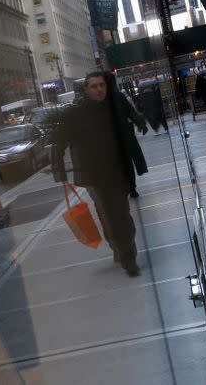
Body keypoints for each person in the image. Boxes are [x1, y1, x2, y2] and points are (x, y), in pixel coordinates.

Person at [53, 71, 146, 276]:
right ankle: (126, 255)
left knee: (121, 212)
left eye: (101, 85)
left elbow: (130, 116)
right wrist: (59, 171)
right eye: (93, 86)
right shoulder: (75, 114)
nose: (99, 89)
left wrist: (140, 122)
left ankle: (125, 247)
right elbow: (59, 143)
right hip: (95, 174)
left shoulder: (115, 105)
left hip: (118, 169)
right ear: (86, 90)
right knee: (109, 213)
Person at [102, 72, 149, 197]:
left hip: (110, 137)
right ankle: (132, 188)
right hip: (124, 134)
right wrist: (141, 124)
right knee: (128, 162)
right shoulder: (118, 96)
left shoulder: (102, 98)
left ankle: (124, 187)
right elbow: (131, 112)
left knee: (118, 163)